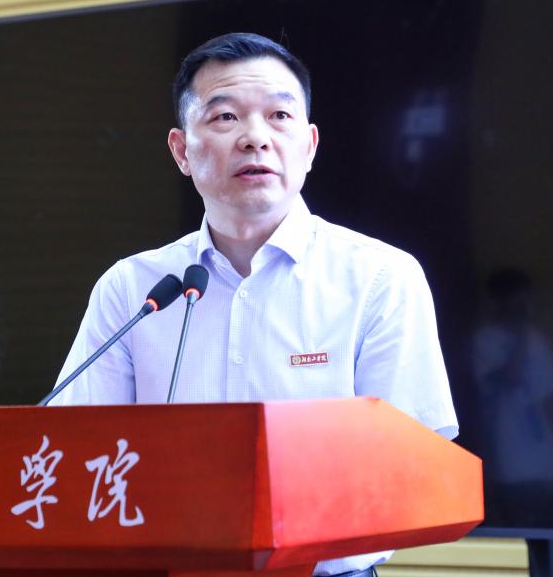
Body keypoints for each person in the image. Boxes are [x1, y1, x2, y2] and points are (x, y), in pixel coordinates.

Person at [52, 32, 458, 576]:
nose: (255, 138)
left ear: (309, 146)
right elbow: (76, 454)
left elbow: (408, 462)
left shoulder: (380, 278)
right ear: (181, 151)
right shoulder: (133, 289)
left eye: (279, 116)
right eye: (225, 117)